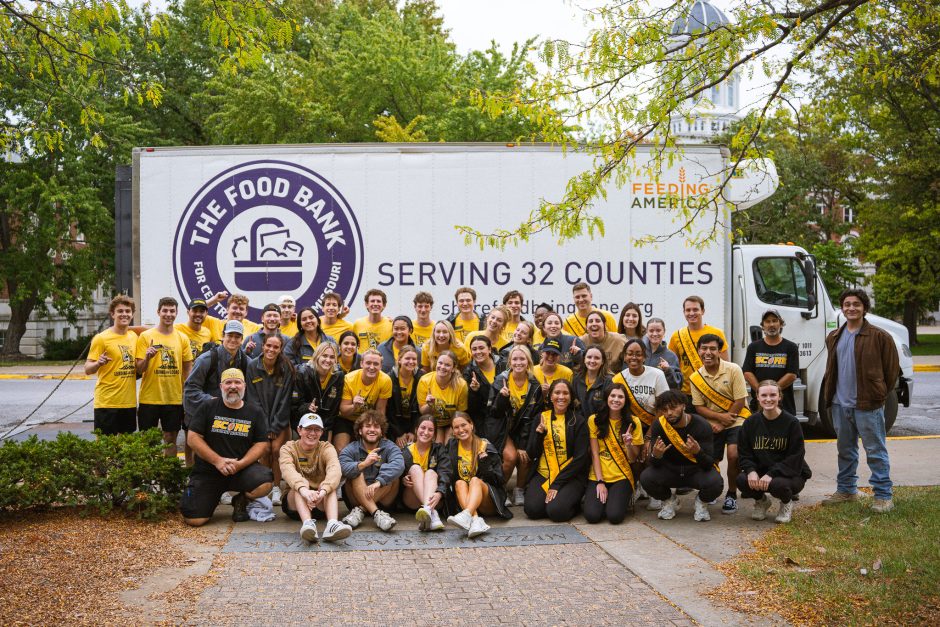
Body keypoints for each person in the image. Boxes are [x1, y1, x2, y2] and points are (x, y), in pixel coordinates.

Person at [822, 289, 900, 513]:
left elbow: (891, 370)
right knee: (845, 450)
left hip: (867, 405)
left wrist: (878, 393)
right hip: (840, 404)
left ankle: (883, 496)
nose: (851, 308)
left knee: (875, 450)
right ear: (842, 308)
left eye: (856, 304)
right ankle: (846, 491)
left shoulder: (879, 336)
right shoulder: (834, 336)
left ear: (864, 308)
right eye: (846, 304)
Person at [181, 368, 273, 526]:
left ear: (244, 386)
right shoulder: (207, 406)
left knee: (265, 482)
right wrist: (217, 461)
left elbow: (262, 444)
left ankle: (241, 499)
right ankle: (211, 496)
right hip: (209, 470)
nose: (233, 386)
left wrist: (240, 464)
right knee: (194, 519)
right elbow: (193, 438)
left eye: (237, 382)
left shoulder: (254, 412)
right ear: (221, 386)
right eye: (228, 382)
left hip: (241, 470)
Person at [639, 390, 723, 522]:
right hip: (671, 470)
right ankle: (670, 501)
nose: (669, 413)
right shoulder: (659, 425)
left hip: (695, 471)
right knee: (646, 478)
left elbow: (708, 464)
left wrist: (697, 452)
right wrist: (656, 455)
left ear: (683, 405)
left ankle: (701, 502)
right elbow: (654, 464)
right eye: (664, 410)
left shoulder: (702, 425)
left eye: (673, 408)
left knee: (716, 483)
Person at [690, 334, 749, 515]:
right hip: (711, 422)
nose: (708, 352)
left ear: (719, 351)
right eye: (704, 348)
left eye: (713, 349)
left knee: (733, 455)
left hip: (736, 419)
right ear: (699, 350)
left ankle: (731, 494)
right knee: (711, 459)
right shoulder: (695, 377)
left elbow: (740, 400)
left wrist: (724, 422)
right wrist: (717, 419)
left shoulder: (733, 369)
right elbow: (699, 407)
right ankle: (713, 489)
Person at [737, 381, 812, 524]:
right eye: (764, 395)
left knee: (778, 485)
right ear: (757, 397)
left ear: (780, 397)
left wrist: (771, 474)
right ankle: (762, 502)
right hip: (762, 469)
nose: (768, 399)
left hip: (790, 473)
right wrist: (751, 470)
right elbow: (744, 453)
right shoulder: (750, 423)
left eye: (773, 395)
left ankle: (786, 504)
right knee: (742, 479)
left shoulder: (791, 423)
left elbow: (795, 456)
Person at [523, 380, 589, 522]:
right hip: (544, 473)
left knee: (557, 512)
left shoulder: (578, 421)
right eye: (557, 393)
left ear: (571, 397)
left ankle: (572, 503)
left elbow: (580, 459)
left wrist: (557, 484)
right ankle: (556, 501)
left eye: (565, 393)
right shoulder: (541, 418)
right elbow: (532, 453)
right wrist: (539, 435)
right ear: (550, 396)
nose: (561, 396)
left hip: (570, 475)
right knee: (532, 510)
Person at [279, 413, 352, 542]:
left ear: (321, 432)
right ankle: (307, 524)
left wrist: (322, 492)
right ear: (299, 430)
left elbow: (335, 470)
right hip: (295, 503)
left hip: (320, 501)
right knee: (300, 484)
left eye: (317, 429)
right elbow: (287, 470)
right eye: (308, 429)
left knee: (330, 486)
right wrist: (305, 491)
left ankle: (332, 525)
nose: (312, 433)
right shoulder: (288, 448)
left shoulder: (326, 447)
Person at [136, 297, 194, 456]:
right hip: (149, 398)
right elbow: (139, 369)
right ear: (158, 312)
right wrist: (147, 357)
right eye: (165, 310)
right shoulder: (146, 337)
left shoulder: (182, 338)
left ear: (176, 313)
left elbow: (187, 368)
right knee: (148, 441)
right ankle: (147, 477)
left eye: (172, 311)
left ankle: (167, 478)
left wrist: (185, 392)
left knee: (170, 439)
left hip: (173, 398)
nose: (168, 314)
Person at [487, 345, 543, 507]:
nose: (518, 362)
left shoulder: (534, 383)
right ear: (510, 362)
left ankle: (519, 489)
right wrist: (502, 398)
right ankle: (500, 489)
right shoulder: (500, 380)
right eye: (515, 359)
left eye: (522, 359)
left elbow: (534, 416)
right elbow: (493, 413)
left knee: (525, 456)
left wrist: (524, 444)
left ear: (528, 362)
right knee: (511, 457)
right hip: (502, 428)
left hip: (523, 429)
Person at [245, 333, 295, 506]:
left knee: (276, 450)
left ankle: (276, 487)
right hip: (260, 421)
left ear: (281, 349)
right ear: (262, 346)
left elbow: (285, 400)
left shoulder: (286, 367)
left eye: (276, 347)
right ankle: (264, 487)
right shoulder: (252, 366)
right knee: (264, 450)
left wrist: (275, 426)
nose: (271, 349)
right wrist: (265, 426)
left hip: (280, 421)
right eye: (269, 346)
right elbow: (252, 400)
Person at [584, 384, 644, 524]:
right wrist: (600, 481)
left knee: (614, 517)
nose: (616, 400)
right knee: (592, 516)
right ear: (606, 398)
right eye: (613, 396)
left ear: (625, 401)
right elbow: (595, 453)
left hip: (621, 475)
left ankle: (623, 497)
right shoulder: (594, 420)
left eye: (620, 397)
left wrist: (629, 444)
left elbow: (633, 458)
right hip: (599, 474)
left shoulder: (633, 422)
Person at [445, 413, 512, 537]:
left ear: (471, 424)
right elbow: (445, 471)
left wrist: (485, 464)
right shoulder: (451, 446)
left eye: (464, 425)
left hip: (488, 501)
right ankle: (475, 519)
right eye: (456, 427)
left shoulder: (485, 447)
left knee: (475, 481)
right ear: (453, 431)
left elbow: (499, 480)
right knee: (459, 483)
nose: (461, 430)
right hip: (466, 499)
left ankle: (467, 515)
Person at [338, 410, 405, 532]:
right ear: (360, 430)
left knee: (392, 476)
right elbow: (342, 466)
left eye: (376, 426)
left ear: (381, 431)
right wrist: (363, 464)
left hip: (384, 499)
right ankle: (377, 514)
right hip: (355, 499)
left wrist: (379, 481)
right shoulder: (351, 448)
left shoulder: (390, 446)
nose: (372, 429)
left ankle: (361, 510)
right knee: (356, 472)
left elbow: (399, 464)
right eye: (367, 426)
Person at [85, 295, 139, 435]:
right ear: (112, 314)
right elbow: (87, 369)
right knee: (105, 448)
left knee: (126, 447)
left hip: (129, 403)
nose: (124, 314)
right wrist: (98, 363)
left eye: (127, 311)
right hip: (107, 403)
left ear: (132, 314)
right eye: (120, 311)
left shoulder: (134, 337)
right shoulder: (101, 338)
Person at [184, 320, 250, 421]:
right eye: (230, 335)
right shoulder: (205, 360)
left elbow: (252, 393)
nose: (233, 339)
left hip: (235, 418)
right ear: (223, 336)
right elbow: (190, 390)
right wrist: (212, 401)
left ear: (242, 339)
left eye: (237, 336)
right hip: (207, 416)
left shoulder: (247, 362)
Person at [668, 295, 728, 401]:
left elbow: (725, 365)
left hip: (711, 391)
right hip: (686, 393)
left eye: (695, 309)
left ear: (703, 311)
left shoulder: (717, 333)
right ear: (684, 312)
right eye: (688, 310)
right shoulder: (677, 336)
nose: (691, 313)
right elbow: (672, 366)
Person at [742, 309, 800, 415]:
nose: (771, 324)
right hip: (759, 404)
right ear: (763, 326)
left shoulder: (791, 347)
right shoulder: (753, 347)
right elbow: (747, 372)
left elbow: (792, 375)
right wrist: (762, 393)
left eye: (774, 321)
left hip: (784, 405)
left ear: (781, 324)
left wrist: (772, 393)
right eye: (767, 321)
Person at [336, 349, 392, 454]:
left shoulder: (385, 380)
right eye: (368, 363)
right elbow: (343, 410)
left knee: (379, 450)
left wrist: (381, 432)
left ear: (380, 366)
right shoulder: (349, 379)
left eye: (376, 364)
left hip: (369, 420)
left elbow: (380, 410)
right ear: (361, 363)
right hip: (347, 419)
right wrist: (354, 406)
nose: (372, 367)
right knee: (341, 450)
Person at [401, 416, 451, 531]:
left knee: (430, 473)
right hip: (411, 499)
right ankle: (432, 513)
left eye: (430, 430)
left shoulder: (439, 450)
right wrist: (402, 479)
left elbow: (445, 473)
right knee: (415, 469)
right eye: (423, 428)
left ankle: (427, 512)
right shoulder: (405, 451)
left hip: (435, 499)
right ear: (416, 430)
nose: (426, 432)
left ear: (434, 434)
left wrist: (440, 492)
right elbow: (397, 473)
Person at [292, 342, 344, 441]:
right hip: (302, 422)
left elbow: (334, 410)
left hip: (324, 425)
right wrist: (307, 407)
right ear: (317, 356)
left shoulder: (338, 376)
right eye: (324, 356)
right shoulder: (302, 373)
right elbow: (294, 407)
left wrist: (325, 431)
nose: (328, 360)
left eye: (332, 357)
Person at [612, 339, 669, 428]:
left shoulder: (657, 375)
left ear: (645, 357)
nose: (634, 357)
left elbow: (663, 408)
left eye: (638, 354)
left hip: (655, 426)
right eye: (630, 354)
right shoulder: (617, 379)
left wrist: (649, 435)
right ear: (624, 357)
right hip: (627, 428)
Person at [418, 350, 469, 443]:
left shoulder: (461, 385)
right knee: (438, 445)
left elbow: (461, 413)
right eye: (440, 363)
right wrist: (429, 405)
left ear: (453, 368)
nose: (442, 367)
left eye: (447, 365)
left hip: (452, 422)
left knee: (450, 443)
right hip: (433, 422)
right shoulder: (425, 381)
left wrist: (454, 429)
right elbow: (422, 411)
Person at [464, 335, 505, 433]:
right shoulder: (468, 372)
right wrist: (474, 392)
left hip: (504, 414)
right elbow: (472, 408)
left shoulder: (503, 364)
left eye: (481, 348)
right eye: (474, 349)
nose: (478, 352)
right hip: (484, 418)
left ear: (490, 349)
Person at [386, 345, 423, 447]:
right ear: (399, 360)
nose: (411, 362)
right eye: (407, 358)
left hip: (414, 422)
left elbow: (421, 409)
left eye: (414, 359)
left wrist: (413, 431)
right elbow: (389, 411)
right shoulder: (389, 378)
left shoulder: (422, 378)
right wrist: (398, 434)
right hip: (394, 424)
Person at [572, 346, 612, 420]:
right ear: (584, 359)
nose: (592, 361)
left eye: (597, 358)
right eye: (589, 357)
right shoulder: (576, 379)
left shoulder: (608, 382)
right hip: (580, 424)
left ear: (602, 361)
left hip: (599, 424)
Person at [642, 317, 682, 390]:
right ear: (647, 332)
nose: (654, 334)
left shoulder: (671, 356)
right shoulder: (640, 352)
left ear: (664, 331)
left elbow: (678, 384)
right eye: (651, 331)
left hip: (662, 399)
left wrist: (668, 370)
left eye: (658, 330)